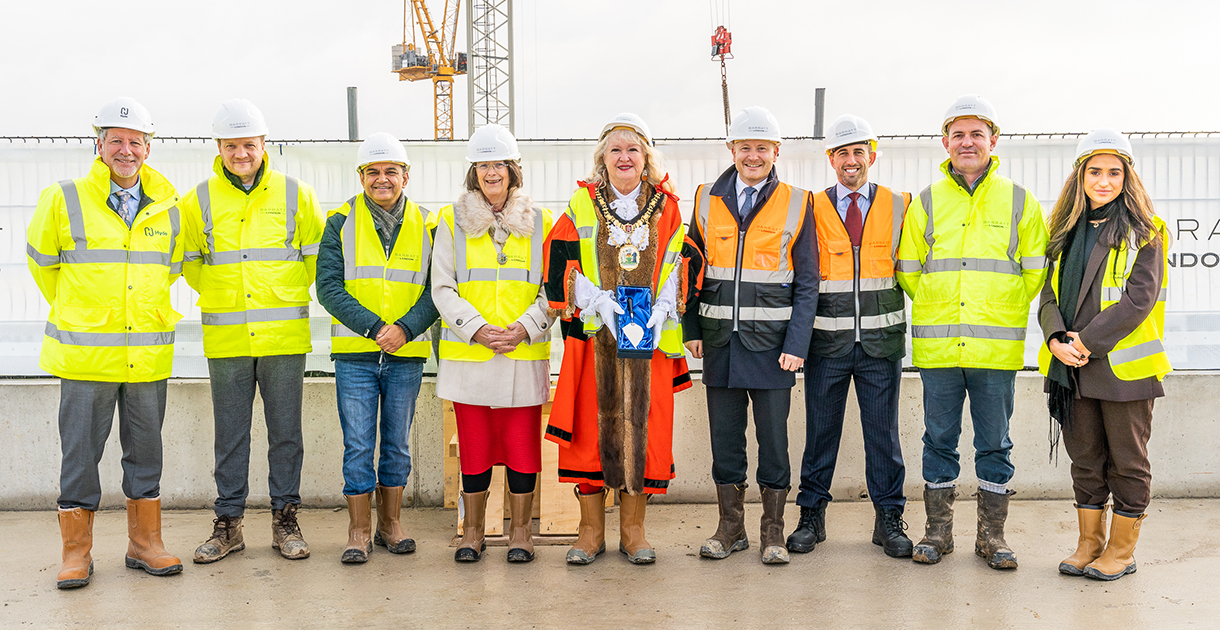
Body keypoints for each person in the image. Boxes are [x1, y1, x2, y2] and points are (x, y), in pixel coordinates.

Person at [27, 97, 184, 588]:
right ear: (99, 145)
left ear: (148, 148)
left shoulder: (170, 206)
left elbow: (171, 270)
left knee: (146, 453)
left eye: (134, 141)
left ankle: (145, 544)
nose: (125, 149)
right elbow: (41, 264)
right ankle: (76, 552)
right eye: (115, 140)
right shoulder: (64, 198)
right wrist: (86, 312)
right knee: (80, 456)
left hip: (145, 356)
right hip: (86, 356)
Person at [896, 95, 1049, 570]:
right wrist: (940, 307)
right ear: (945, 142)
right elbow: (908, 268)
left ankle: (991, 537)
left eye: (976, 134)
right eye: (958, 135)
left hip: (994, 349)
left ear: (993, 141)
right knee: (938, 439)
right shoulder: (926, 201)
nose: (967, 142)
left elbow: (1034, 273)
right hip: (939, 346)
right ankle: (937, 533)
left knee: (994, 443)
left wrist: (998, 310)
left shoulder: (1019, 200)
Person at [544, 113, 696, 565]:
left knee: (645, 437)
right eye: (616, 149)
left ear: (646, 157)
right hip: (594, 340)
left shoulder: (668, 207)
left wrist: (664, 307)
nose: (625, 157)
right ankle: (590, 531)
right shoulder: (581, 204)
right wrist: (596, 300)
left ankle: (633, 530)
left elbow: (680, 261)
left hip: (648, 344)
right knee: (589, 436)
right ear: (602, 158)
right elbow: (558, 262)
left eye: (634, 149)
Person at [181, 99, 324, 563]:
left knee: (286, 432)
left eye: (249, 144)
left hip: (283, 337)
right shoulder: (198, 199)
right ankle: (230, 524)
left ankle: (285, 517)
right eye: (231, 145)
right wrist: (227, 295)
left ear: (264, 145)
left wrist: (273, 294)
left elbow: (314, 259)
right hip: (227, 338)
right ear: (218, 148)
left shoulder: (294, 193)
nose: (240, 153)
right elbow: (190, 262)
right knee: (231, 434)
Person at [684, 106, 817, 565]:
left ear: (776, 152)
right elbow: (690, 270)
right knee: (726, 441)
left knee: (774, 443)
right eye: (745, 147)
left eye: (762, 148)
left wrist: (797, 345)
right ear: (732, 150)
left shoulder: (799, 202)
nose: (753, 155)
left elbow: (808, 283)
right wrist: (691, 327)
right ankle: (730, 528)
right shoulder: (705, 198)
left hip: (773, 349)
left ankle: (773, 530)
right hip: (719, 344)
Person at [1037, 129, 1170, 581]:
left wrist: (1084, 343)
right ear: (1080, 176)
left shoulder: (1146, 229)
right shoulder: (1062, 231)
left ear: (1127, 177)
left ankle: (1121, 551)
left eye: (1115, 172)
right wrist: (1055, 338)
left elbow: (1139, 299)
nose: (1104, 180)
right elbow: (1047, 296)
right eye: (1095, 171)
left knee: (1127, 463)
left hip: (1123, 371)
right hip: (1071, 369)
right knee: (1086, 461)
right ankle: (1089, 543)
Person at [791, 114, 912, 559]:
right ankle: (811, 516)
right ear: (831, 159)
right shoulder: (810, 206)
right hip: (827, 344)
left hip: (881, 344)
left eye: (858, 151)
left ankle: (889, 519)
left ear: (872, 156)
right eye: (842, 152)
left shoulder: (901, 203)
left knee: (884, 436)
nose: (851, 160)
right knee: (820, 433)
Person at [432, 124, 554, 563]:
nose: (491, 172)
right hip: (471, 354)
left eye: (499, 163)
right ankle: (474, 532)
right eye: (483, 164)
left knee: (523, 446)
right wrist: (477, 328)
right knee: (475, 446)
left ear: (513, 169)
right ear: (473, 171)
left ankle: (521, 532)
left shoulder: (541, 221)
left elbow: (552, 288)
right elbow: (442, 287)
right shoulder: (451, 219)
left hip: (522, 352)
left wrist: (526, 326)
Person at [316, 133, 438, 564]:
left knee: (397, 444)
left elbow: (436, 289)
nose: (381, 179)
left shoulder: (428, 224)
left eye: (391, 171)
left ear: (406, 176)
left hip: (406, 353)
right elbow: (328, 288)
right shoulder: (340, 221)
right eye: (373, 172)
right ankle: (359, 528)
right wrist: (374, 328)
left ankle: (391, 523)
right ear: (361, 176)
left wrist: (405, 328)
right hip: (356, 354)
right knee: (358, 443)